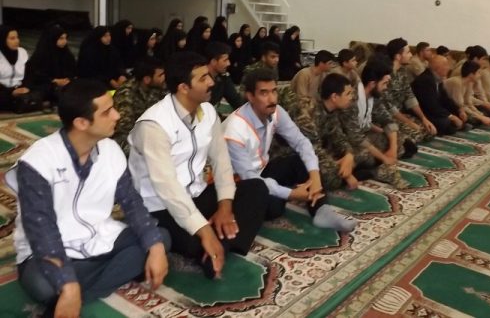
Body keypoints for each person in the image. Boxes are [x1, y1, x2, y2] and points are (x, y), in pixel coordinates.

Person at [8, 79, 169, 317]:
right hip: (47, 251)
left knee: (161, 239)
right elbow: (42, 232)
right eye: (107, 112)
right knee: (43, 285)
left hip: (99, 236)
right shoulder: (38, 162)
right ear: (81, 123)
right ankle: (78, 284)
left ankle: (75, 292)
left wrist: (155, 248)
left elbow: (132, 203)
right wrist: (67, 282)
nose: (117, 115)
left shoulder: (110, 150)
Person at [128, 52, 268, 279]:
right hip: (161, 206)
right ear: (184, 87)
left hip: (197, 194)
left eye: (209, 76)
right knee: (193, 239)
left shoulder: (208, 112)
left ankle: (216, 247)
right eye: (203, 78)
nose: (211, 82)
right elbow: (168, 188)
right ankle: (216, 244)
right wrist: (204, 231)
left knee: (257, 189)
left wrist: (225, 207)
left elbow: (222, 162)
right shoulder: (154, 125)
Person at [224, 69, 356, 232]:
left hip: (262, 169)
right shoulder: (235, 129)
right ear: (250, 96)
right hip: (237, 183)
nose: (272, 99)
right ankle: (286, 193)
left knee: (301, 162)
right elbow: (249, 177)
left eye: (274, 91)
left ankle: (322, 211)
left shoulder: (276, 111)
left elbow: (301, 142)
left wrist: (315, 177)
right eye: (264, 93)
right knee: (274, 207)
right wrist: (291, 194)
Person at [338, 57, 416, 184]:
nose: (386, 88)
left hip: (365, 137)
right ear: (372, 84)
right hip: (349, 144)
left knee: (404, 142)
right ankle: (369, 168)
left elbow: (388, 120)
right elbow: (356, 138)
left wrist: (393, 148)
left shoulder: (374, 97)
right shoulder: (352, 100)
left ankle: (372, 164)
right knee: (363, 155)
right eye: (384, 83)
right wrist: (384, 158)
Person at [376, 38, 437, 143]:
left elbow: (410, 96)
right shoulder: (385, 74)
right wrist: (409, 123)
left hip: (401, 114)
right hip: (387, 116)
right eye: (408, 52)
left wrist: (424, 118)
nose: (411, 55)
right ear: (398, 56)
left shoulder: (402, 71)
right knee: (415, 136)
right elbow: (389, 107)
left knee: (430, 131)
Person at [112, 57, 166, 155]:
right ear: (147, 79)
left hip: (150, 132)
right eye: (160, 75)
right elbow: (124, 128)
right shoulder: (126, 94)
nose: (164, 77)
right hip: (126, 138)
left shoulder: (158, 86)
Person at [412, 55, 466, 136]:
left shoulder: (437, 79)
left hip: (436, 110)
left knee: (458, 115)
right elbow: (431, 106)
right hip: (425, 112)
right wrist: (451, 116)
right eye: (446, 65)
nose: (449, 68)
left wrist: (459, 110)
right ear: (438, 68)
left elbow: (446, 99)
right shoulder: (425, 80)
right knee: (446, 123)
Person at [23, 24, 76, 104]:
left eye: (65, 38)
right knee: (44, 89)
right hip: (46, 84)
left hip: (64, 84)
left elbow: (73, 70)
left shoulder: (67, 54)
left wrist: (68, 79)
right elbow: (35, 75)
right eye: (61, 38)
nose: (65, 41)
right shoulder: (41, 55)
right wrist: (53, 80)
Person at [443, 60, 490, 127]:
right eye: (478, 72)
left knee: (483, 115)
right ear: (471, 74)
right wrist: (481, 117)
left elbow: (468, 103)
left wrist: (481, 115)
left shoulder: (469, 82)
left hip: (459, 109)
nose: (480, 75)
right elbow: (459, 105)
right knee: (471, 121)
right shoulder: (456, 82)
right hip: (448, 108)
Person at [0, 25, 35, 112]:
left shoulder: (22, 52)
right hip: (3, 91)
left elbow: (29, 74)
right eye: (12, 38)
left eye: (17, 37)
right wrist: (11, 92)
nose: (17, 41)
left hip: (19, 88)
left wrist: (26, 87)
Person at [205, 42, 244, 113]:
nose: (228, 63)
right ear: (213, 61)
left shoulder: (223, 77)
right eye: (225, 60)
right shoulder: (201, 80)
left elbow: (235, 100)